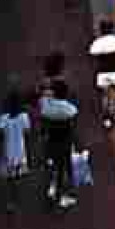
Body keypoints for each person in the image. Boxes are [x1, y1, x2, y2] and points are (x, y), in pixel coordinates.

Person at [38, 80, 79, 211]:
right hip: (65, 142)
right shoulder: (69, 109)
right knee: (65, 168)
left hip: (50, 142)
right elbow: (73, 122)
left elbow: (42, 102)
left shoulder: (46, 107)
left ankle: (52, 189)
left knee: (52, 165)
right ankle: (62, 196)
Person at [0, 91, 31, 214]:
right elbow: (27, 132)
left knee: (10, 179)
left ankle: (11, 202)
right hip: (20, 151)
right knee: (17, 177)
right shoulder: (24, 117)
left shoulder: (3, 118)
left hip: (8, 151)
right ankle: (15, 200)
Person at [89, 20, 115, 128]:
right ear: (112, 29)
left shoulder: (97, 43)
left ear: (101, 30)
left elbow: (92, 52)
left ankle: (106, 119)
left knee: (105, 96)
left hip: (103, 73)